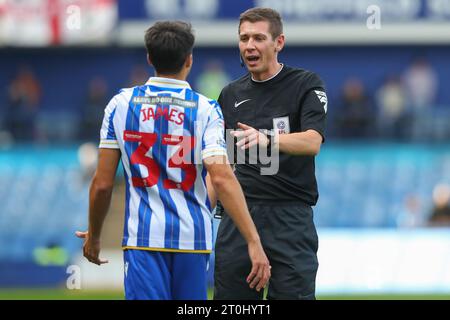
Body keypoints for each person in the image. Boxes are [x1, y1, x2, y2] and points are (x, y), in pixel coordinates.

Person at [75, 21, 270, 300]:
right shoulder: (206, 109)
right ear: (189, 59)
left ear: (149, 59)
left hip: (143, 239)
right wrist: (253, 241)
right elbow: (222, 177)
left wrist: (95, 236)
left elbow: (103, 183)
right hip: (193, 238)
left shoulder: (120, 105)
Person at [212, 8, 327, 300]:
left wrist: (267, 139)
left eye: (259, 38)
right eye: (244, 38)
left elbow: (313, 141)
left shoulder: (305, 84)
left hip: (289, 218)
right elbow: (222, 163)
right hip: (239, 216)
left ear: (279, 42)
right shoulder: (229, 95)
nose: (249, 45)